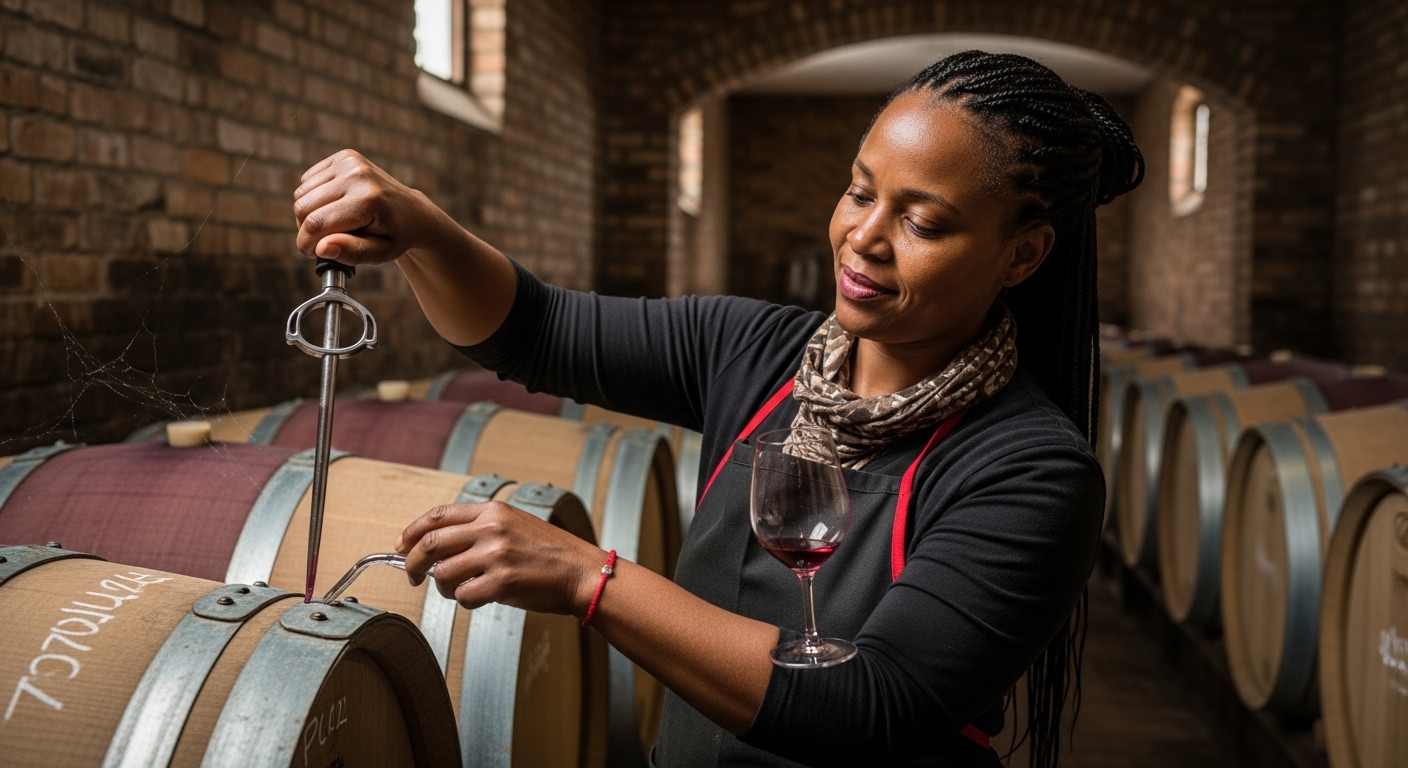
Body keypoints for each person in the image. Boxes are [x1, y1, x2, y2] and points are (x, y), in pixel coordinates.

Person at [292, 51, 1143, 768]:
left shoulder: (1030, 468)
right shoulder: (752, 350)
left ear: (1022, 255)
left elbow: (872, 705)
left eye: (923, 221)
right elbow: (534, 331)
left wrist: (591, 578)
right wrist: (421, 228)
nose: (864, 237)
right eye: (859, 192)